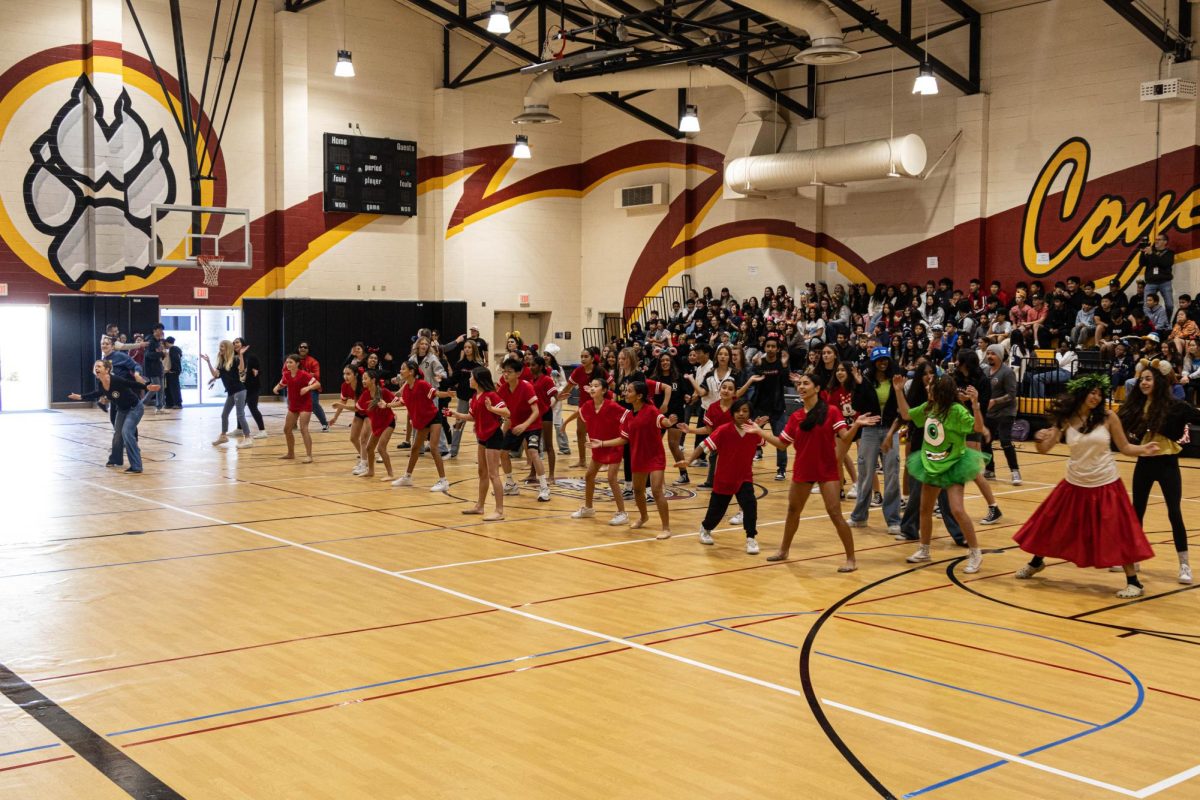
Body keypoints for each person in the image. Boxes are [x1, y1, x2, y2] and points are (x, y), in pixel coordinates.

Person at [1013, 374, 1157, 597]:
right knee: (1051, 524)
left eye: (1100, 394)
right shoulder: (1067, 418)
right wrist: (1039, 436)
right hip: (1074, 482)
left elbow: (1126, 448)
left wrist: (1143, 450)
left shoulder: (1109, 417)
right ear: (1081, 393)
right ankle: (1036, 562)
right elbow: (1044, 449)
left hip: (1106, 482)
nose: (1096, 397)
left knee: (1118, 531)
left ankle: (1134, 582)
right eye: (1093, 392)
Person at [762, 374, 879, 571]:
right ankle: (783, 550)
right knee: (792, 511)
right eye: (799, 384)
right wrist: (759, 432)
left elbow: (845, 437)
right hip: (803, 468)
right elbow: (782, 444)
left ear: (817, 388)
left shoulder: (831, 411)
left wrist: (856, 424)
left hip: (827, 469)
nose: (801, 387)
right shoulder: (796, 417)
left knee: (834, 513)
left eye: (806, 383)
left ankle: (851, 559)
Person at [894, 372, 989, 572]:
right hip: (931, 464)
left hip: (953, 465)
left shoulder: (956, 410)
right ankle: (924, 549)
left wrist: (975, 404)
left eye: (932, 387)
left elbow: (978, 427)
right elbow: (905, 415)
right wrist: (898, 391)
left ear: (941, 392)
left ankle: (975, 553)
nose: (928, 389)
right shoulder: (929, 408)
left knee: (957, 510)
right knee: (924, 509)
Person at [1118, 358, 1200, 584]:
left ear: (1159, 382)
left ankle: (1184, 565)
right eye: (1141, 379)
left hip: (1167, 464)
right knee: (1137, 512)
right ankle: (1133, 560)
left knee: (1174, 513)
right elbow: (1118, 423)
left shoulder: (1175, 406)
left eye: (1148, 379)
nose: (1143, 383)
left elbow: (1195, 416)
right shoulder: (1135, 406)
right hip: (1144, 463)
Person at [677, 398, 767, 554]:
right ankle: (705, 528)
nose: (741, 414)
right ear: (732, 413)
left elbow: (763, 442)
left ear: (750, 414)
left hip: (744, 478)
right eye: (738, 410)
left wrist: (759, 427)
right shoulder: (724, 430)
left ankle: (751, 538)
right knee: (717, 511)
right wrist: (689, 460)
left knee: (750, 506)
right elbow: (704, 445)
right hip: (724, 477)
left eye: (745, 411)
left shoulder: (754, 431)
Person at [589, 381, 677, 537]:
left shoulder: (651, 411)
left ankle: (666, 528)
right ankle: (644, 517)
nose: (625, 394)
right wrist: (601, 443)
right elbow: (623, 439)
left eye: (629, 391)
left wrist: (669, 422)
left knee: (656, 490)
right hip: (638, 456)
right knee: (637, 491)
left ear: (639, 396)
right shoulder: (629, 415)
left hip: (655, 456)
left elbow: (663, 421)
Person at [67, 360, 159, 473]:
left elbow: (130, 383)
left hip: (134, 408)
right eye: (95, 366)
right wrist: (80, 397)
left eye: (99, 366)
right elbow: (97, 393)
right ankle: (116, 460)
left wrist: (146, 387)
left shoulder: (116, 380)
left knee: (127, 432)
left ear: (107, 370)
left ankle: (136, 466)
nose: (96, 368)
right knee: (117, 434)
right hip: (122, 410)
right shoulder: (101, 383)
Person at [848, 347, 902, 534]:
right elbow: (856, 405)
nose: (883, 362)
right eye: (879, 360)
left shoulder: (896, 378)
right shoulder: (866, 380)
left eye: (885, 359)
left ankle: (894, 520)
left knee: (892, 474)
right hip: (869, 431)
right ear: (873, 362)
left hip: (890, 429)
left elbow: (900, 407)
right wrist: (860, 384)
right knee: (865, 473)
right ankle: (859, 516)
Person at [446, 366, 508, 521]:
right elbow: (471, 416)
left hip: (493, 435)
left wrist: (491, 408)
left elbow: (507, 412)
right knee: (482, 472)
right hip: (481, 436)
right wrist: (455, 414)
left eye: (471, 377)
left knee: (494, 474)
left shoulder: (491, 395)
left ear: (479, 379)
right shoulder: (475, 397)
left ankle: (499, 511)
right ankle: (480, 506)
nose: (469, 379)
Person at [567, 377, 629, 526]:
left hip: (613, 446)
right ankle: (588, 508)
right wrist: (565, 423)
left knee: (611, 478)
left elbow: (628, 416)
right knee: (589, 476)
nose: (593, 388)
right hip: (597, 447)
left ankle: (622, 513)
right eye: (591, 386)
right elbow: (579, 413)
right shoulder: (588, 405)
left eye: (597, 386)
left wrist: (627, 432)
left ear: (605, 390)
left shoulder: (613, 406)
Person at [392, 359, 451, 491]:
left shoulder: (422, 384)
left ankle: (443, 481)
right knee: (415, 449)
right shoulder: (406, 388)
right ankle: (407, 477)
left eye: (403, 369)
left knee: (434, 448)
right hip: (422, 421)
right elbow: (402, 402)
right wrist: (387, 405)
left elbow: (435, 393)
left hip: (433, 418)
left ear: (411, 372)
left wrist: (446, 394)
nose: (401, 371)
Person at [498, 356, 551, 502]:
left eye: (509, 371)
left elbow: (536, 412)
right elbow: (504, 412)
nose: (506, 374)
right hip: (514, 426)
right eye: (504, 371)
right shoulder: (503, 389)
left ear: (518, 373)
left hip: (532, 425)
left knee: (533, 452)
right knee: (502, 453)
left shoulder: (526, 387)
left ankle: (544, 488)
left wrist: (524, 425)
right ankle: (510, 484)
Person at [750, 334, 790, 481]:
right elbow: (754, 381)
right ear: (765, 348)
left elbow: (787, 382)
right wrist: (755, 366)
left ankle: (781, 469)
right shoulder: (760, 362)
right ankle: (752, 457)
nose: (771, 349)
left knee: (780, 439)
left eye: (774, 346)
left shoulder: (781, 363)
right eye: (768, 346)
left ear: (778, 349)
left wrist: (785, 366)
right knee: (750, 435)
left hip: (777, 408)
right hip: (759, 407)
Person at [202, 340, 253, 449]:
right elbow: (216, 374)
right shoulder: (222, 362)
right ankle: (223, 436)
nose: (220, 348)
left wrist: (241, 355)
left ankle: (248, 438)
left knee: (240, 415)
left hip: (239, 391)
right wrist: (208, 362)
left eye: (222, 346)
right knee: (224, 414)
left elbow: (242, 369)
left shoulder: (234, 359)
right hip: (231, 392)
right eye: (220, 346)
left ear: (228, 348)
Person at [982, 344, 1020, 485]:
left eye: (992, 353)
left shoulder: (1007, 372)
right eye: (988, 353)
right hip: (990, 411)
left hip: (1006, 411)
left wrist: (995, 401)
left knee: (1005, 441)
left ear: (999, 355)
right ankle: (989, 469)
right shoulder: (986, 371)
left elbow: (1011, 395)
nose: (989, 356)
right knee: (985, 440)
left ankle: (1015, 471)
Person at [273, 354, 319, 463]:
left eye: (291, 362)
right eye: (287, 362)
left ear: (297, 364)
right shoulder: (286, 375)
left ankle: (309, 455)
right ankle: (290, 453)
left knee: (304, 429)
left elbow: (317, 384)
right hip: (293, 405)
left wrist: (308, 388)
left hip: (305, 405)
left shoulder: (304, 375)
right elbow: (282, 383)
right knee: (287, 429)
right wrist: (276, 387)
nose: (288, 364)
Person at [568, 347, 607, 469]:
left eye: (586, 357)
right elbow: (568, 386)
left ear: (592, 358)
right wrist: (559, 396)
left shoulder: (600, 371)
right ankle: (582, 460)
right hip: (583, 407)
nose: (583, 359)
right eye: (581, 357)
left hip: (598, 406)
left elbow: (611, 385)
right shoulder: (578, 371)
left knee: (597, 434)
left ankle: (602, 460)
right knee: (580, 432)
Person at [448, 338, 485, 458]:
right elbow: (453, 380)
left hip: (476, 399)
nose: (467, 349)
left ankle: (482, 449)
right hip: (463, 398)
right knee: (458, 423)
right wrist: (443, 382)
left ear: (474, 349)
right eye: (465, 347)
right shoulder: (460, 365)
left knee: (479, 424)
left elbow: (483, 383)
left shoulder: (479, 365)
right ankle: (453, 451)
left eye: (469, 347)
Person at [331, 365, 370, 475]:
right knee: (353, 438)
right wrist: (335, 417)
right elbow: (343, 402)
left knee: (363, 439)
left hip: (370, 413)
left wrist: (340, 405)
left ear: (356, 374)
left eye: (348, 374)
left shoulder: (363, 386)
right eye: (344, 374)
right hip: (359, 413)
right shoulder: (345, 386)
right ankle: (365, 460)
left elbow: (356, 407)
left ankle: (364, 464)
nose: (345, 377)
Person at [234, 338, 267, 438]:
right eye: (234, 343)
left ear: (243, 345)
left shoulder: (251, 357)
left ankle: (262, 431)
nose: (235, 344)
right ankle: (239, 429)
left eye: (237, 342)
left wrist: (257, 372)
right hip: (240, 388)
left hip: (253, 388)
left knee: (253, 407)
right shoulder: (234, 358)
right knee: (239, 409)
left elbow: (260, 370)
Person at [295, 342, 329, 432]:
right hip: (297, 387)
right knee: (292, 404)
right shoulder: (294, 360)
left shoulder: (313, 361)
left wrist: (302, 375)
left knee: (314, 404)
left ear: (308, 350)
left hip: (312, 387)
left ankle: (325, 424)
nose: (302, 348)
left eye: (305, 347)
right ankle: (293, 424)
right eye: (301, 347)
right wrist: (308, 374)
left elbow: (316, 376)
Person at [1140, 233, 1175, 316]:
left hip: (1165, 282)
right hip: (1151, 282)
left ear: (1165, 242)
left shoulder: (1169, 253)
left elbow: (1165, 263)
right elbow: (1142, 264)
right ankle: (1151, 324)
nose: (1156, 241)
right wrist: (1142, 252)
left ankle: (1166, 323)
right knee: (1146, 306)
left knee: (1169, 305)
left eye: (1159, 240)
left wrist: (1152, 254)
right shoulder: (1149, 250)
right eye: (1155, 239)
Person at [163, 336, 184, 408]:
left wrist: (172, 369)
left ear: (166, 343)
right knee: (170, 387)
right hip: (174, 371)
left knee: (173, 388)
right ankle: (171, 403)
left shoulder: (173, 349)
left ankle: (177, 403)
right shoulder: (177, 349)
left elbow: (175, 361)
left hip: (172, 372)